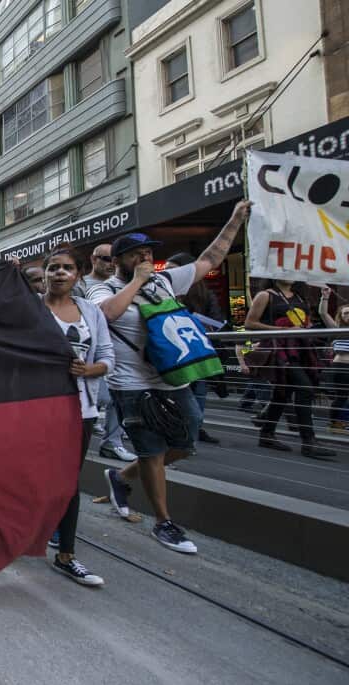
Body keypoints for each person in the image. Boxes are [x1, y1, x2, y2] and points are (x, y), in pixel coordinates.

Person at [87, 200, 251, 554]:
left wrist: (235, 220)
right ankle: (164, 522)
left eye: (148, 252)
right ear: (118, 261)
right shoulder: (103, 288)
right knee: (151, 449)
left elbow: (209, 260)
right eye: (136, 254)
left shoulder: (164, 280)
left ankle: (121, 476)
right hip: (131, 384)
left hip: (172, 378)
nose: (145, 258)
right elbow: (106, 315)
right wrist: (137, 283)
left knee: (186, 442)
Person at [42, 247, 111, 586]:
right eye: (53, 267)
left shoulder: (91, 312)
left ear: (78, 275)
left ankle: (66, 554)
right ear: (44, 274)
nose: (59, 273)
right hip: (37, 409)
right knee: (35, 476)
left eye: (67, 268)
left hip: (81, 409)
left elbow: (108, 357)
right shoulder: (30, 310)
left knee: (69, 480)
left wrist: (90, 369)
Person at [246, 280, 336, 459]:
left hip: (300, 350)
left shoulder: (300, 297)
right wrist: (282, 329)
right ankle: (308, 441)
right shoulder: (266, 295)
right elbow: (250, 323)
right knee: (304, 388)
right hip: (279, 350)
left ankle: (267, 434)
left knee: (283, 393)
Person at [77, 243, 137, 462]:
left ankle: (112, 440)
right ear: (93, 259)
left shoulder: (123, 284)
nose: (111, 264)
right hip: (91, 355)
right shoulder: (82, 285)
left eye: (114, 259)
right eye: (105, 259)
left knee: (112, 398)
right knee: (101, 398)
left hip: (117, 353)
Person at [164, 252, 225, 445]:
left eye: (172, 270)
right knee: (179, 393)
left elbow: (216, 321)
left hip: (197, 351)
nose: (167, 274)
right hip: (174, 352)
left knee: (199, 391)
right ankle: (183, 429)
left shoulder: (204, 294)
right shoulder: (163, 292)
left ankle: (194, 426)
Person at [318, 287, 349, 435]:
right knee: (341, 397)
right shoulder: (337, 329)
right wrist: (325, 297)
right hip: (341, 367)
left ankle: (341, 423)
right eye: (346, 313)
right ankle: (335, 424)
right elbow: (323, 313)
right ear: (341, 316)